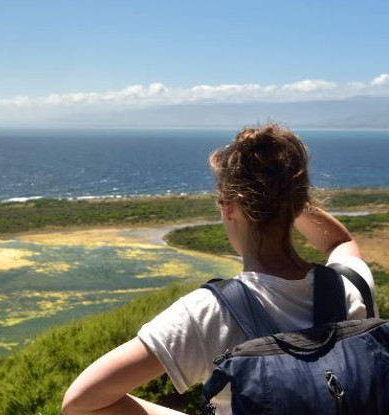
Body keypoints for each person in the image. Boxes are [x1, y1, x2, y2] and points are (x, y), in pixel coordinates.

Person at [61, 123, 377, 415]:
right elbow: (339, 241)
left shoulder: (208, 313)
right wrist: (289, 197)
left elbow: (80, 401)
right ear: (299, 202)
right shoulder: (352, 285)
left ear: (228, 206)